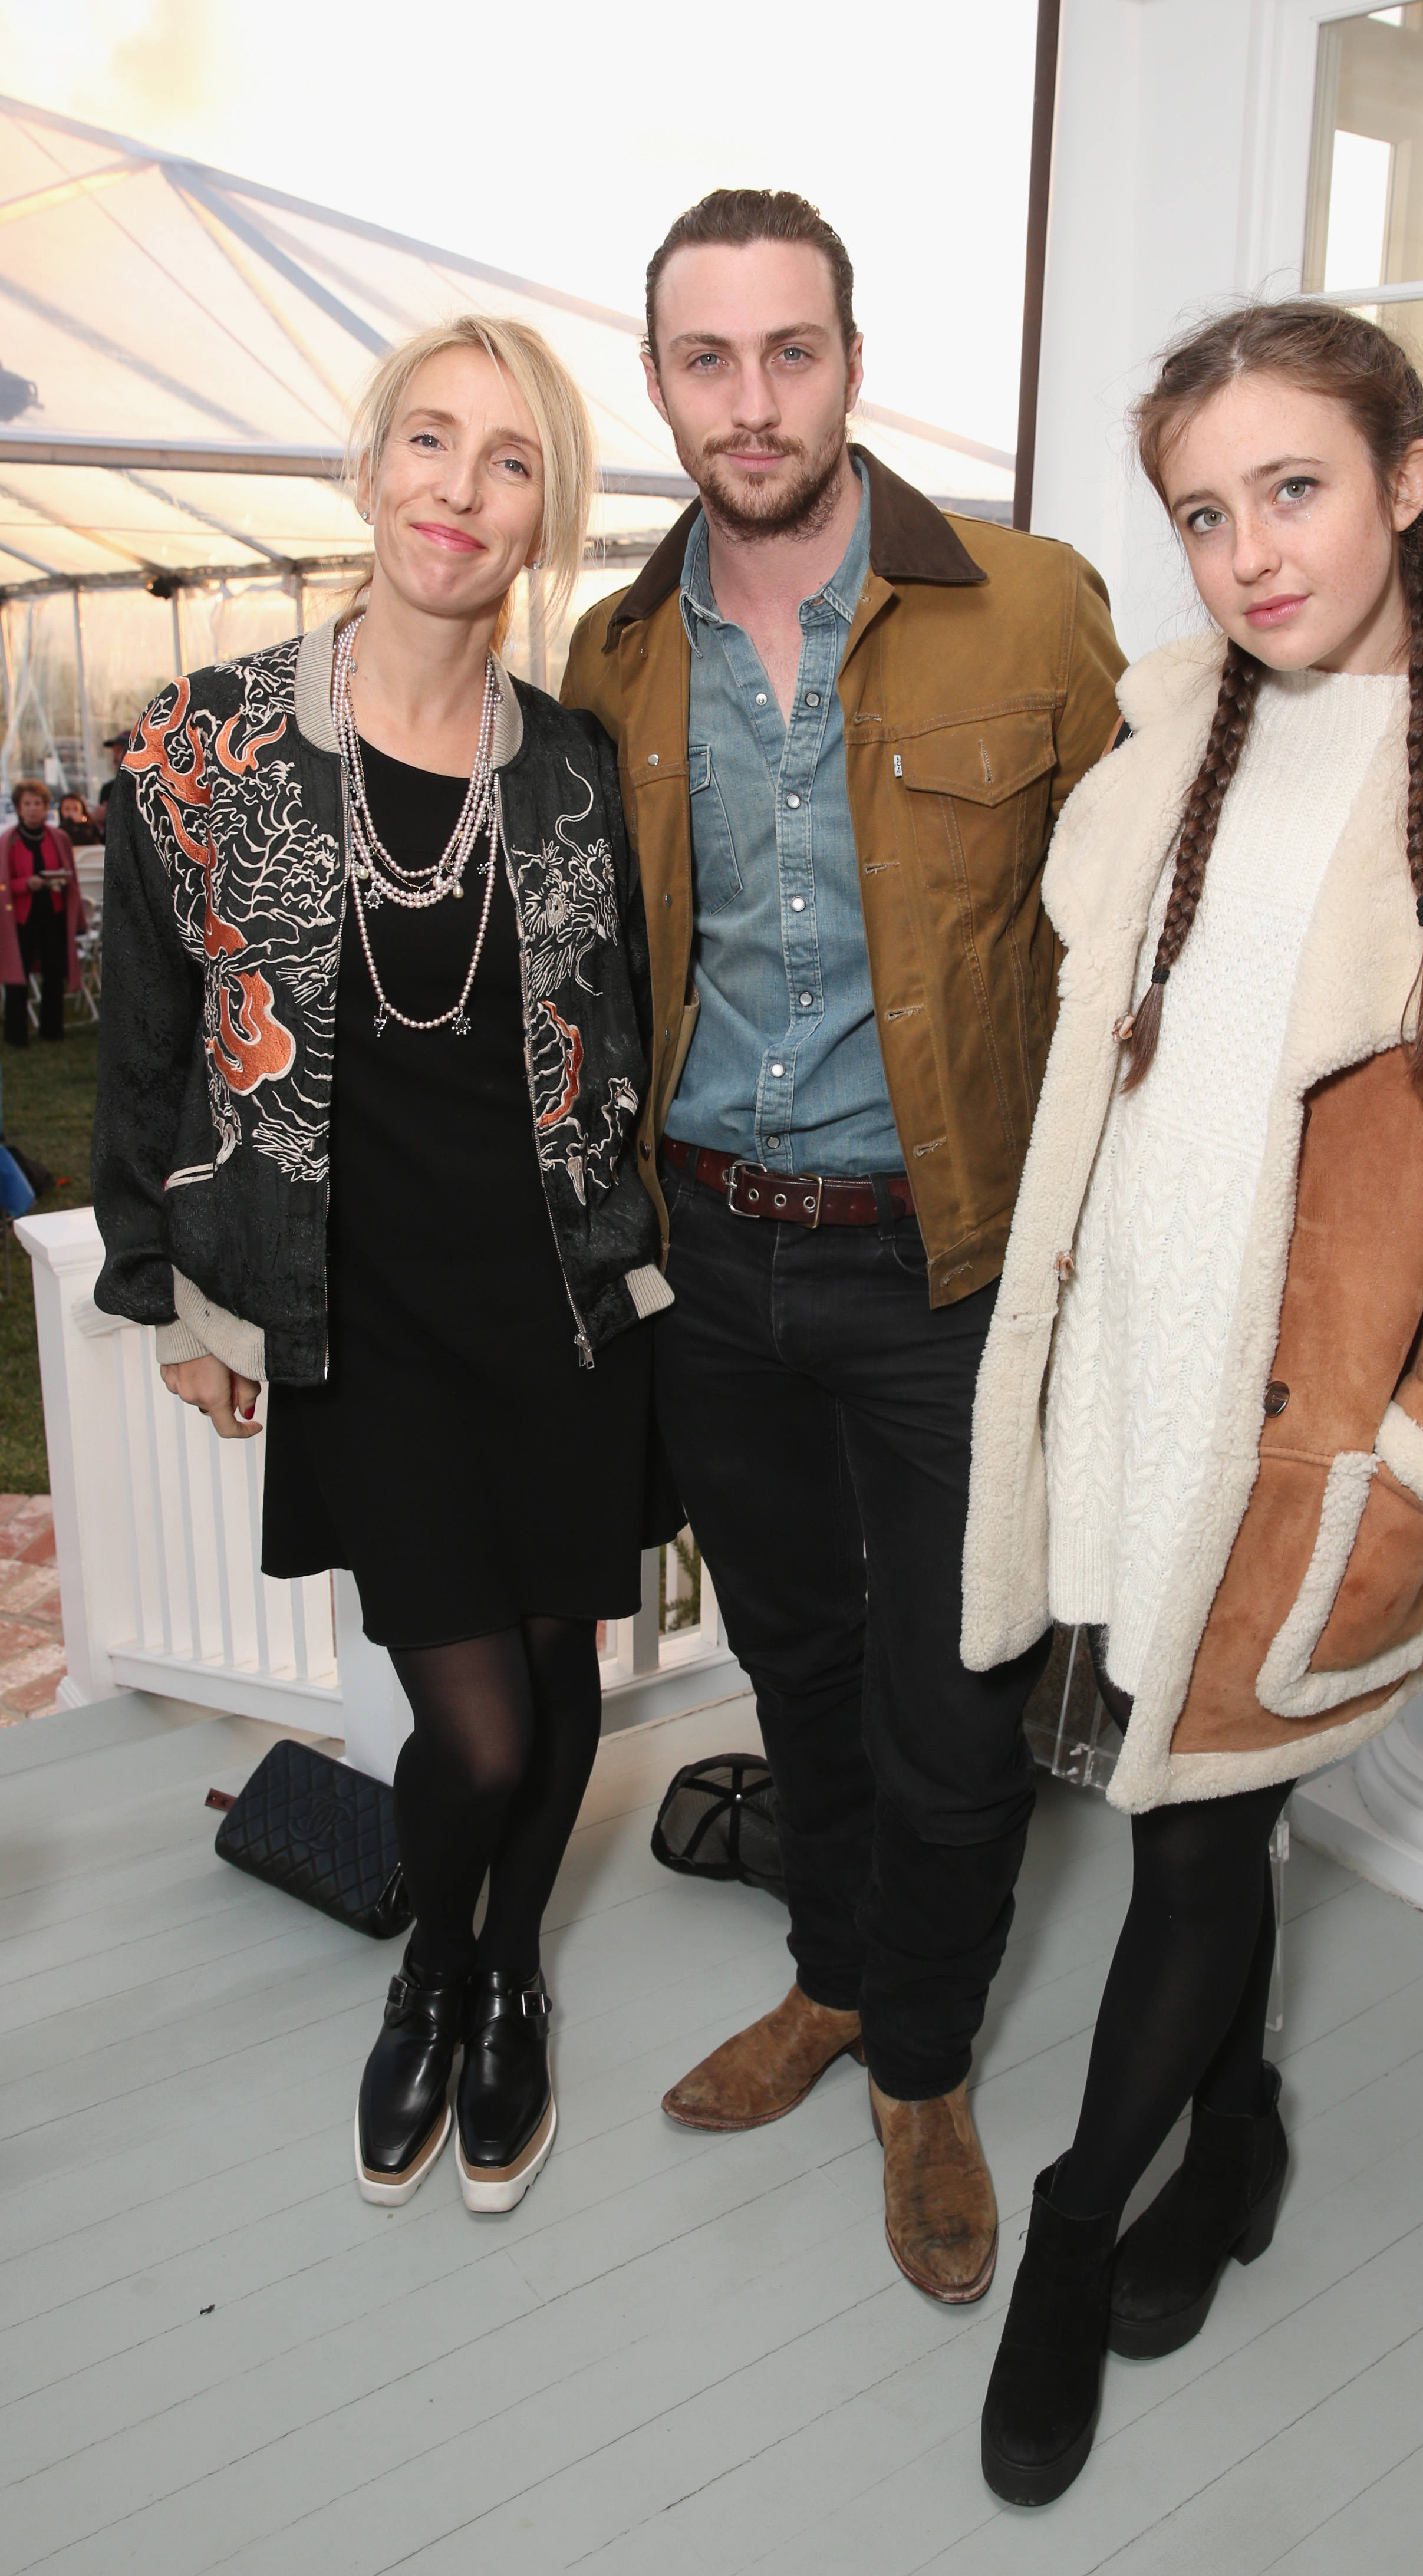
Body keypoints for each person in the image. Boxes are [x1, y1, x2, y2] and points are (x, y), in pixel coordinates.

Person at [961, 301, 1423, 2505]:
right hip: (1112, 1392)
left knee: (1193, 1831)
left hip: (1289, 1446)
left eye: (1291, 487)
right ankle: (1243, 2131)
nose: (1249, 551)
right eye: (1201, 509)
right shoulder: (1155, 745)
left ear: (1405, 477)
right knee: (1192, 1810)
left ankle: (1070, 2228)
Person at [561, 189, 1126, 2304]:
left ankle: (918, 2062)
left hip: (942, 1263)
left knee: (953, 1694)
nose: (749, 400)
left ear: (849, 360)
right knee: (789, 1657)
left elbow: (1134, 938)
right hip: (708, 1259)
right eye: (704, 361)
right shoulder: (612, 657)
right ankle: (826, 1980)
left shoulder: (1033, 609)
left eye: (786, 351)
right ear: (658, 384)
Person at [93, 314, 678, 2218]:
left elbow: (627, 1029)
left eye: (508, 462)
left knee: (563, 1662)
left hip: (564, 1301)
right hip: (369, 1316)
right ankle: (439, 1965)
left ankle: (505, 1981)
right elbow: (148, 1039)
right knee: (477, 1718)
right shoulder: (209, 743)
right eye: (429, 442)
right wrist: (173, 1286)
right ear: (369, 470)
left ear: (541, 519)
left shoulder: (574, 773)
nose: (458, 489)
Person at [2, 779, 85, 1045]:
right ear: (18, 808)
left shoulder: (58, 838)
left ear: (46, 807)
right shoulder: (9, 840)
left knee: (53, 971)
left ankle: (53, 1031)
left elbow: (70, 875)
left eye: (38, 804)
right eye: (27, 804)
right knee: (18, 974)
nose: (33, 809)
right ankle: (16, 1035)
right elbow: (4, 882)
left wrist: (59, 879)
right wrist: (26, 883)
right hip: (22, 916)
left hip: (54, 912)